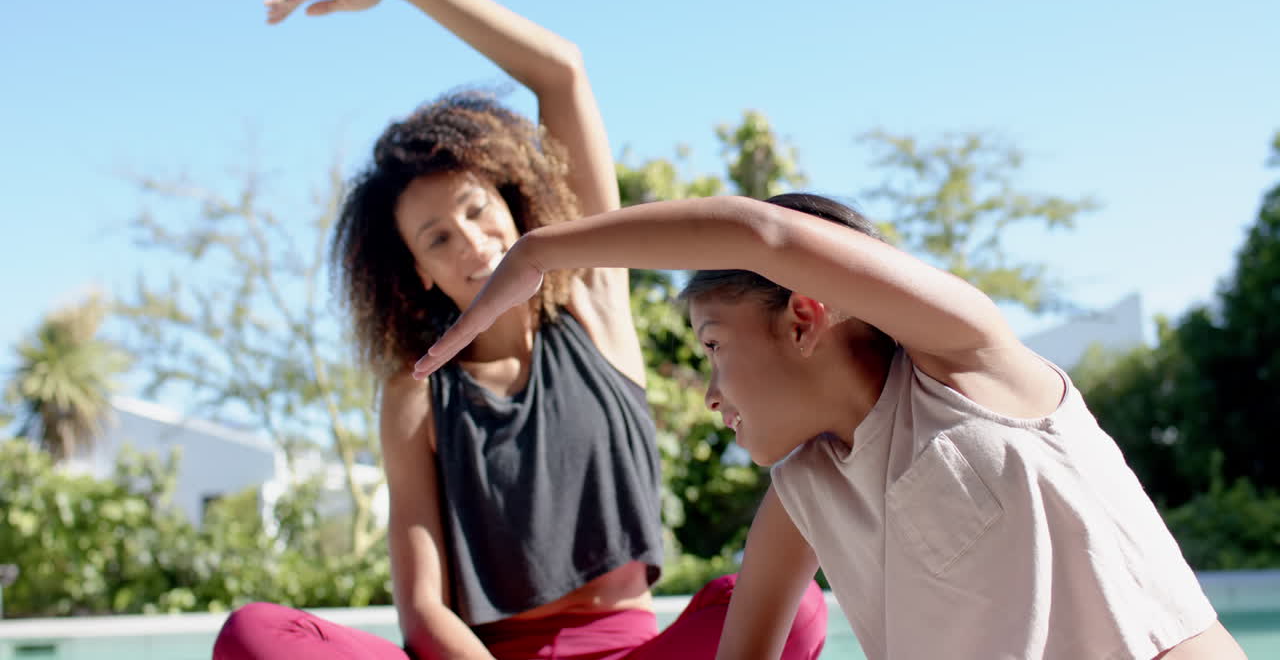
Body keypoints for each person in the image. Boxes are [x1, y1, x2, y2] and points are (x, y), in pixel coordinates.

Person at [212, 0, 827, 660]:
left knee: (795, 607)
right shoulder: (414, 395)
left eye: (478, 210)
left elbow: (560, 71)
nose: (472, 242)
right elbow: (422, 614)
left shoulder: (596, 300)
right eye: (437, 237)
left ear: (514, 204)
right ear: (414, 270)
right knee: (257, 636)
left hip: (633, 651)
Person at [415, 192, 1250, 660]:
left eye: (714, 347)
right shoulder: (806, 489)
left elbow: (763, 234)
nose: (710, 393)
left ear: (805, 317)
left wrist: (538, 255)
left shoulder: (969, 366)